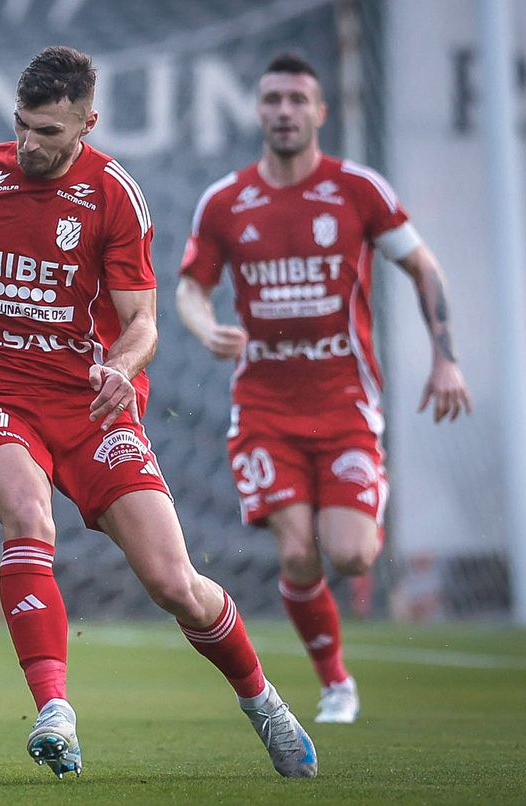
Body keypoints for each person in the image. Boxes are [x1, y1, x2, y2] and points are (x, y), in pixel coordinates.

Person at [0, 46, 317, 779]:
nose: (32, 144)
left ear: (88, 125)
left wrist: (123, 370)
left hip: (91, 405)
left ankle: (263, 702)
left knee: (175, 583)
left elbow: (143, 322)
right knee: (28, 515)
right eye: (24, 126)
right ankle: (54, 712)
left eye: (51, 133)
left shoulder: (113, 196)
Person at [175, 53, 472, 724]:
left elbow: (424, 268)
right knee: (300, 551)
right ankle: (336, 681)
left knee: (352, 552)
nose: (284, 111)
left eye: (297, 100)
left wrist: (445, 359)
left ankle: (363, 493)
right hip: (265, 409)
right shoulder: (226, 200)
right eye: (273, 99)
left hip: (344, 403)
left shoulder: (357, 189)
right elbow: (191, 287)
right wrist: (206, 328)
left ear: (319, 113)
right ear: (259, 110)